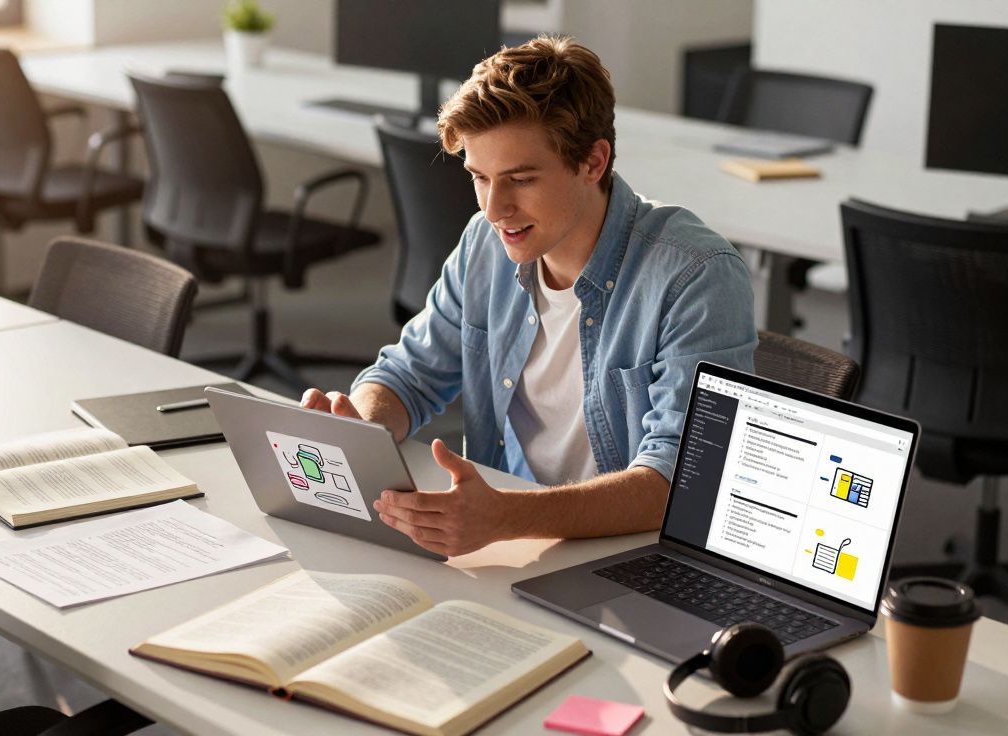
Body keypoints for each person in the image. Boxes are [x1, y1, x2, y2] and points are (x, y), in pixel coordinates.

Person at [302, 36, 756, 557]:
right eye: (480, 178)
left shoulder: (695, 276)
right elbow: (409, 375)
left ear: (592, 162)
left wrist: (505, 517)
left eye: (520, 180)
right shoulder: (484, 242)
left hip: (625, 556)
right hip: (509, 540)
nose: (495, 209)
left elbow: (677, 480)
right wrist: (363, 424)